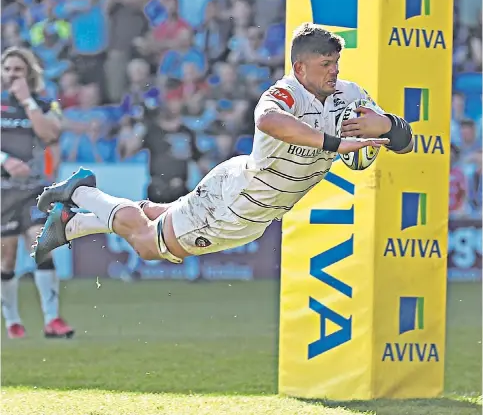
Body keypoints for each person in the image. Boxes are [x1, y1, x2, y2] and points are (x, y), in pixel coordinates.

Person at [32, 23, 414, 268]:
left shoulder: (350, 95)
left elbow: (404, 142)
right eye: (325, 64)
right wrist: (333, 144)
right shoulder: (285, 94)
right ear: (300, 69)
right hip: (240, 206)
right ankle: (83, 192)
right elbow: (268, 122)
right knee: (149, 245)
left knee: (157, 212)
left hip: (238, 181)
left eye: (336, 62)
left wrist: (387, 124)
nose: (334, 70)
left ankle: (72, 224)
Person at [1, 47, 74, 338]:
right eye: (7, 70)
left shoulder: (44, 104)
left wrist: (27, 101)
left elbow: (49, 134)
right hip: (3, 190)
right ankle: (12, 320)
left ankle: (52, 319)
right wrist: (5, 161)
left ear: (29, 73)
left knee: (40, 243)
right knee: (6, 257)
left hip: (34, 190)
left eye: (17, 70)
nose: (11, 75)